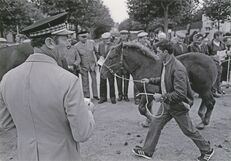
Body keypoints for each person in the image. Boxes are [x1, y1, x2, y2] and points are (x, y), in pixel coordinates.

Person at [0, 12, 95, 161]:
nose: (69, 44)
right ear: (50, 42)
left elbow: (6, 123)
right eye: (65, 39)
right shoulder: (69, 81)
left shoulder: (7, 79)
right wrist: (88, 111)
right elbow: (82, 134)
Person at [132, 40, 214, 161]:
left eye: (158, 51)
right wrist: (150, 80)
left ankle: (207, 150)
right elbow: (165, 79)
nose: (156, 53)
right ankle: (147, 151)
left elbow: (180, 94)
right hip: (168, 104)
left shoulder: (178, 68)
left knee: (189, 130)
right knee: (155, 124)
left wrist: (162, 97)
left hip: (177, 105)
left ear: (165, 52)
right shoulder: (167, 63)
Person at [75, 30, 99, 100]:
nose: (85, 38)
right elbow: (77, 57)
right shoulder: (76, 46)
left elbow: (96, 52)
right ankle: (87, 96)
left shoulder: (92, 42)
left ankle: (95, 95)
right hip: (83, 66)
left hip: (92, 65)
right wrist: (79, 67)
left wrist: (97, 62)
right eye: (83, 37)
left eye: (86, 36)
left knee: (94, 80)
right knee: (85, 82)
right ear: (78, 37)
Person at [97, 32, 116, 104]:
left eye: (108, 38)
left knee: (111, 83)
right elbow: (98, 53)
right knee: (102, 83)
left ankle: (112, 98)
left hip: (110, 67)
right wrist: (100, 57)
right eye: (105, 39)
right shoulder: (100, 45)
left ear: (110, 38)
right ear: (103, 39)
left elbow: (115, 56)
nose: (107, 40)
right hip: (102, 66)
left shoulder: (113, 45)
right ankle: (103, 98)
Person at [207, 31, 226, 97]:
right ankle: (213, 90)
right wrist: (213, 57)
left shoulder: (222, 44)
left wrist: (225, 55)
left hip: (220, 62)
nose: (222, 37)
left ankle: (218, 89)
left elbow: (224, 51)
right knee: (214, 76)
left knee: (219, 75)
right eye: (221, 36)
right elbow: (206, 54)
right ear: (216, 36)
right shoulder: (209, 44)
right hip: (212, 63)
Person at [116, 30, 130, 102]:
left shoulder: (130, 43)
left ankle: (126, 95)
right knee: (119, 81)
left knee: (126, 81)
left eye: (125, 34)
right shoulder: (117, 43)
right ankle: (120, 95)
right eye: (122, 34)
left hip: (127, 65)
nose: (124, 36)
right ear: (120, 35)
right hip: (118, 65)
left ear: (127, 35)